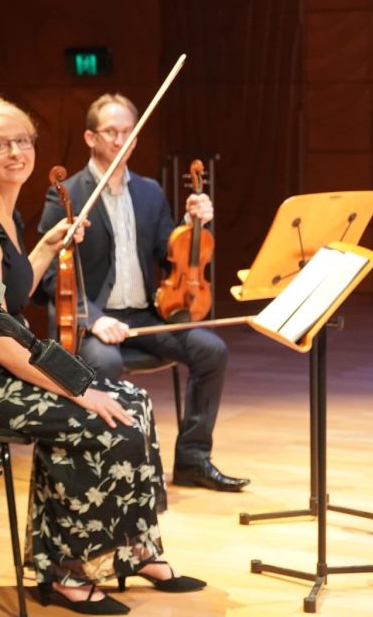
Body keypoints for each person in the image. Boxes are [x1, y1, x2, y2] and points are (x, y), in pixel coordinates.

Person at [0, 98, 204, 614]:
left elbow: (10, 294)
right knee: (93, 418)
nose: (15, 152)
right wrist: (77, 387)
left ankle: (137, 549)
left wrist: (50, 244)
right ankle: (67, 571)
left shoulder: (4, 209)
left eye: (23, 141)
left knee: (133, 404)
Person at [37, 93, 247, 492]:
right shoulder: (67, 194)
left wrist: (194, 225)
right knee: (104, 363)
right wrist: (95, 319)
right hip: (92, 320)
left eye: (127, 132)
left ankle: (193, 460)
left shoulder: (149, 191)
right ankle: (109, 469)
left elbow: (174, 258)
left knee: (211, 349)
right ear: (90, 138)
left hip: (146, 316)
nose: (120, 140)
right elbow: (50, 275)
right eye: (110, 132)